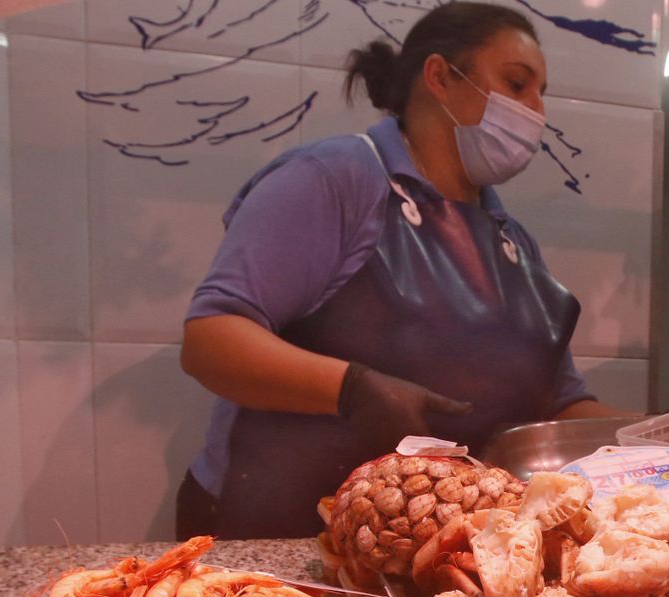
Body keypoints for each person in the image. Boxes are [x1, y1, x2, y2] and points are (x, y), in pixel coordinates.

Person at [177, 2, 622, 539]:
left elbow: (562, 404)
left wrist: (664, 437)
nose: (536, 111)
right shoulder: (337, 178)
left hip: (434, 546)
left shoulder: (512, 241)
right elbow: (211, 342)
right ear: (440, 77)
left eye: (540, 93)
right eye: (516, 83)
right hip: (279, 532)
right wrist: (352, 390)